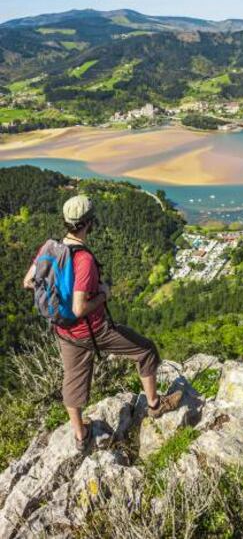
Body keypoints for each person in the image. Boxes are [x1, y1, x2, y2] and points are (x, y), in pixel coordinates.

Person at [23, 194, 182, 452]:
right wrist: (103, 295)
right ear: (88, 223)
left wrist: (57, 297)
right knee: (146, 350)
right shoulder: (83, 259)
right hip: (93, 329)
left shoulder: (49, 247)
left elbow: (29, 281)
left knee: (72, 380)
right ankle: (154, 405)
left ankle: (80, 435)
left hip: (64, 331)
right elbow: (79, 307)